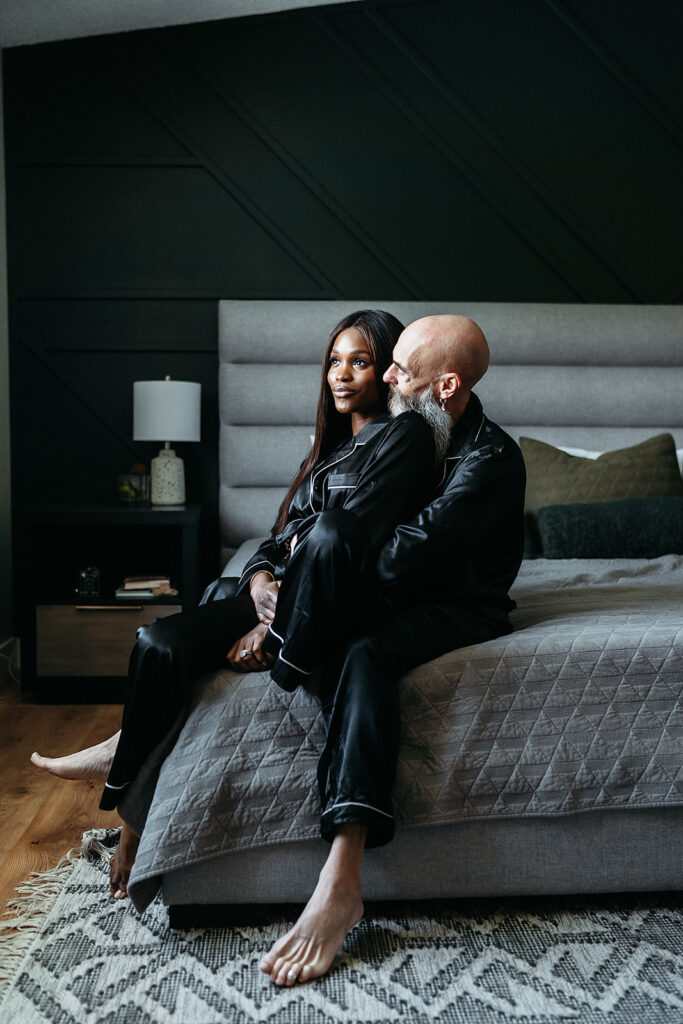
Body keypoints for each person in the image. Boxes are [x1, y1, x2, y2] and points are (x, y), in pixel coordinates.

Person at [29, 310, 436, 895]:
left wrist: (271, 629)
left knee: (201, 629)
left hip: (321, 605)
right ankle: (126, 770)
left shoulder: (405, 438)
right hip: (276, 593)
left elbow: (347, 541)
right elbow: (279, 537)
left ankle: (131, 816)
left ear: (390, 371)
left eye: (361, 361)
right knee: (156, 642)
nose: (341, 374)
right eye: (334, 360)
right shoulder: (326, 452)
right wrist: (258, 577)